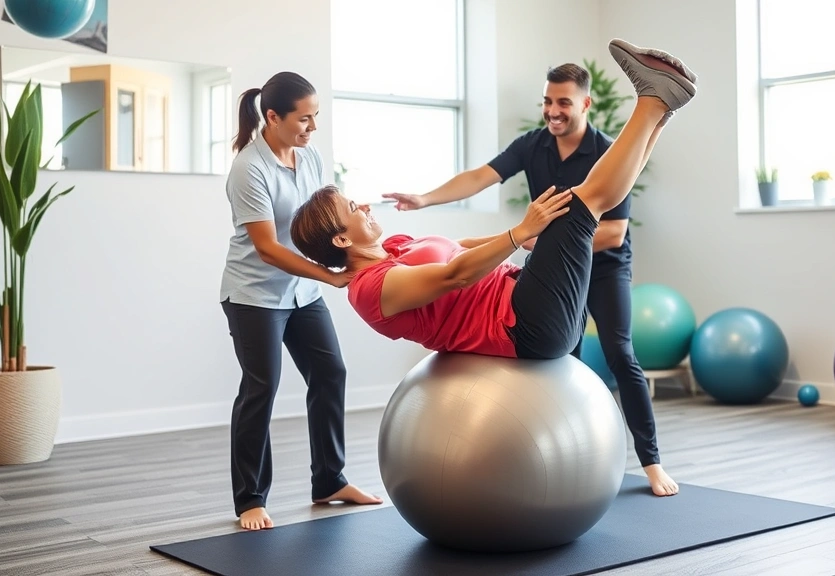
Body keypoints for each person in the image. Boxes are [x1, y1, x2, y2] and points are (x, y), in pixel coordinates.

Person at [290, 38, 697, 497]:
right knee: (583, 205)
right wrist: (520, 233)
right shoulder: (370, 289)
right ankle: (654, 100)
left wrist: (528, 234)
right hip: (526, 326)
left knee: (581, 208)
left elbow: (461, 246)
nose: (363, 204)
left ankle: (660, 111)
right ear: (342, 239)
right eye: (351, 207)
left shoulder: (396, 246)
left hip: (524, 293)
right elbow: (454, 275)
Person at [382, 60, 679, 495]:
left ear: (585, 103)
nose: (552, 111)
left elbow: (613, 232)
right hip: (556, 273)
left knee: (620, 353)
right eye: (547, 101)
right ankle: (571, 462)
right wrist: (425, 198)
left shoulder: (606, 150)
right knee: (563, 362)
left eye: (563, 102)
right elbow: (480, 176)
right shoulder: (534, 145)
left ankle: (652, 463)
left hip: (604, 268)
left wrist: (547, 246)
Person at [219, 71, 382, 531]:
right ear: (272, 116)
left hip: (301, 292)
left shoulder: (310, 160)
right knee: (261, 388)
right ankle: (250, 498)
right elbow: (269, 247)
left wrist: (361, 253)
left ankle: (329, 480)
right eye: (304, 119)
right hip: (254, 295)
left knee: (330, 372)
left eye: (316, 118)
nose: (312, 128)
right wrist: (330, 278)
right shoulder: (248, 169)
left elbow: (323, 224)